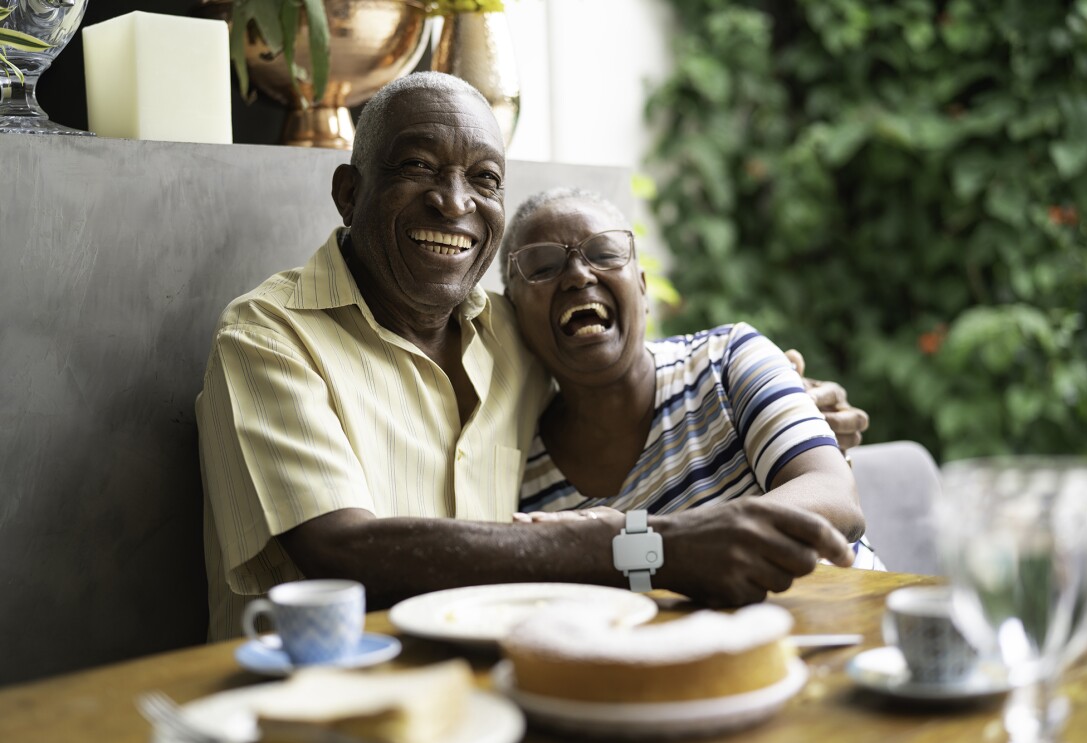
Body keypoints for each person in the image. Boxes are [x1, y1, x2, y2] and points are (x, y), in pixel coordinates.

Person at [196, 72, 864, 641]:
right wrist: (648, 544)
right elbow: (340, 553)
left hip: (485, 690)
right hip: (309, 700)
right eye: (418, 166)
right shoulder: (268, 336)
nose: (454, 201)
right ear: (349, 194)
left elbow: (616, 356)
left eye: (483, 177)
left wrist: (782, 393)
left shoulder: (508, 332)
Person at [499, 188, 882, 569]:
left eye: (604, 254)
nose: (579, 276)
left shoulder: (727, 359)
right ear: (514, 312)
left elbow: (837, 500)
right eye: (543, 266)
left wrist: (643, 541)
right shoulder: (524, 477)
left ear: (643, 288)